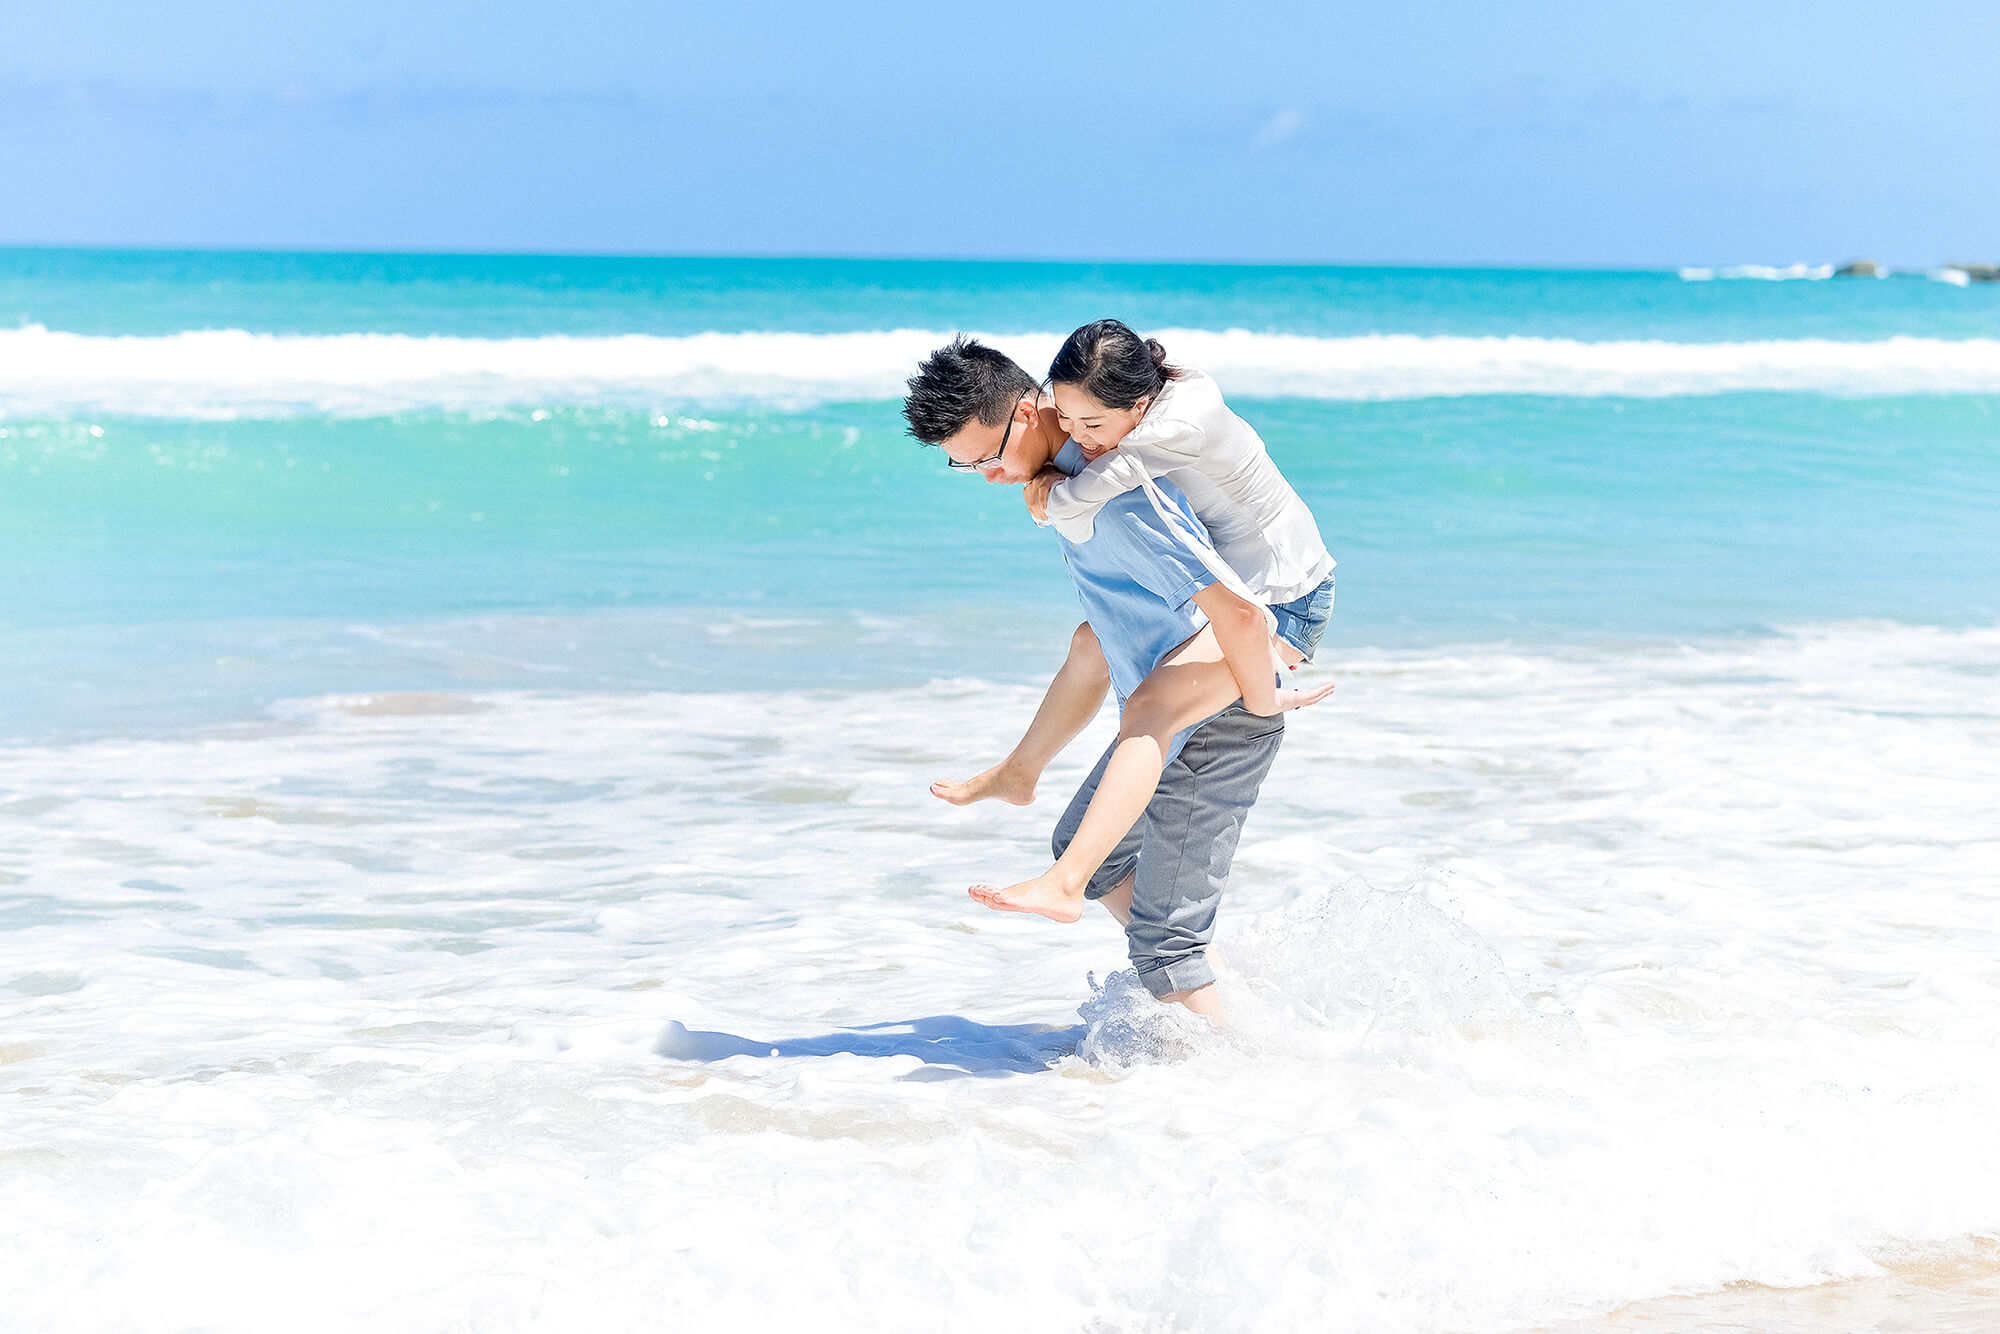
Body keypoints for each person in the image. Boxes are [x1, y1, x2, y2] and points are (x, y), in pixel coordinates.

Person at [903, 336, 1311, 1025]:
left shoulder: (1114, 495)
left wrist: (1264, 690)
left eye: (990, 458)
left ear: (1030, 416)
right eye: (963, 467)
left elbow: (1240, 614)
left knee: (1160, 938)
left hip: (1234, 695)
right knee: (1091, 661)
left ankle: (1232, 1063)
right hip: (1200, 676)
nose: (988, 478)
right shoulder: (1068, 478)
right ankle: (1206, 993)